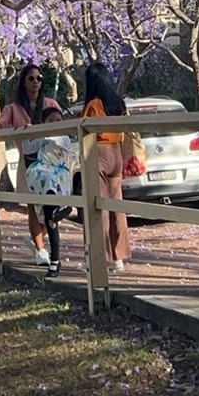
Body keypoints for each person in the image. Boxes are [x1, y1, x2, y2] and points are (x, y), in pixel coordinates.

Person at [0, 66, 66, 274]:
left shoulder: (51, 104)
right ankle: (41, 250)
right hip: (29, 163)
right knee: (33, 207)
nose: (35, 82)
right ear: (24, 81)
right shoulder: (14, 108)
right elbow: (0, 122)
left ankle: (38, 240)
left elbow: (63, 128)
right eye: (31, 78)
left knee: (50, 208)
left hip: (51, 164)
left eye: (39, 78)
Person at [81, 60, 132, 271]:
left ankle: (96, 257)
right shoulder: (119, 103)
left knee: (96, 207)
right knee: (116, 206)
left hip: (98, 152)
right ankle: (118, 257)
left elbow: (84, 128)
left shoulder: (93, 104)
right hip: (116, 152)